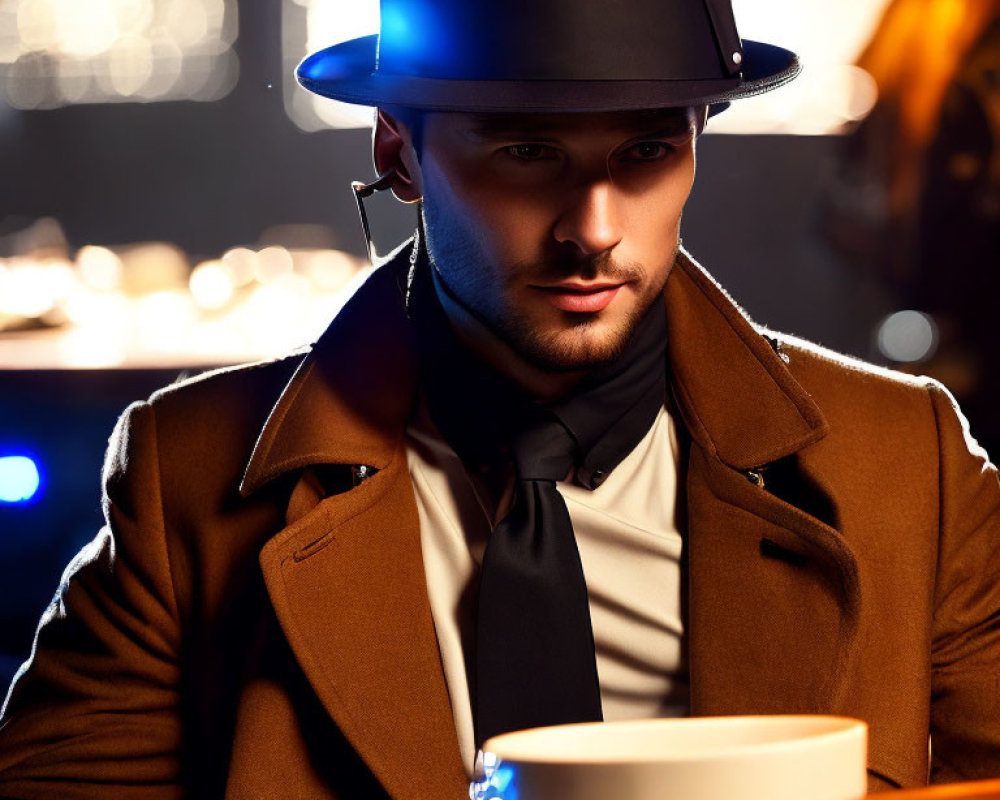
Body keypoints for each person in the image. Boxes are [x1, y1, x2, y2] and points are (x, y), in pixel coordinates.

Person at [2, 0, 999, 797]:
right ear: (398, 152)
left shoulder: (904, 465)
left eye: (647, 152)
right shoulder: (191, 480)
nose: (594, 228)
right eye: (528, 153)